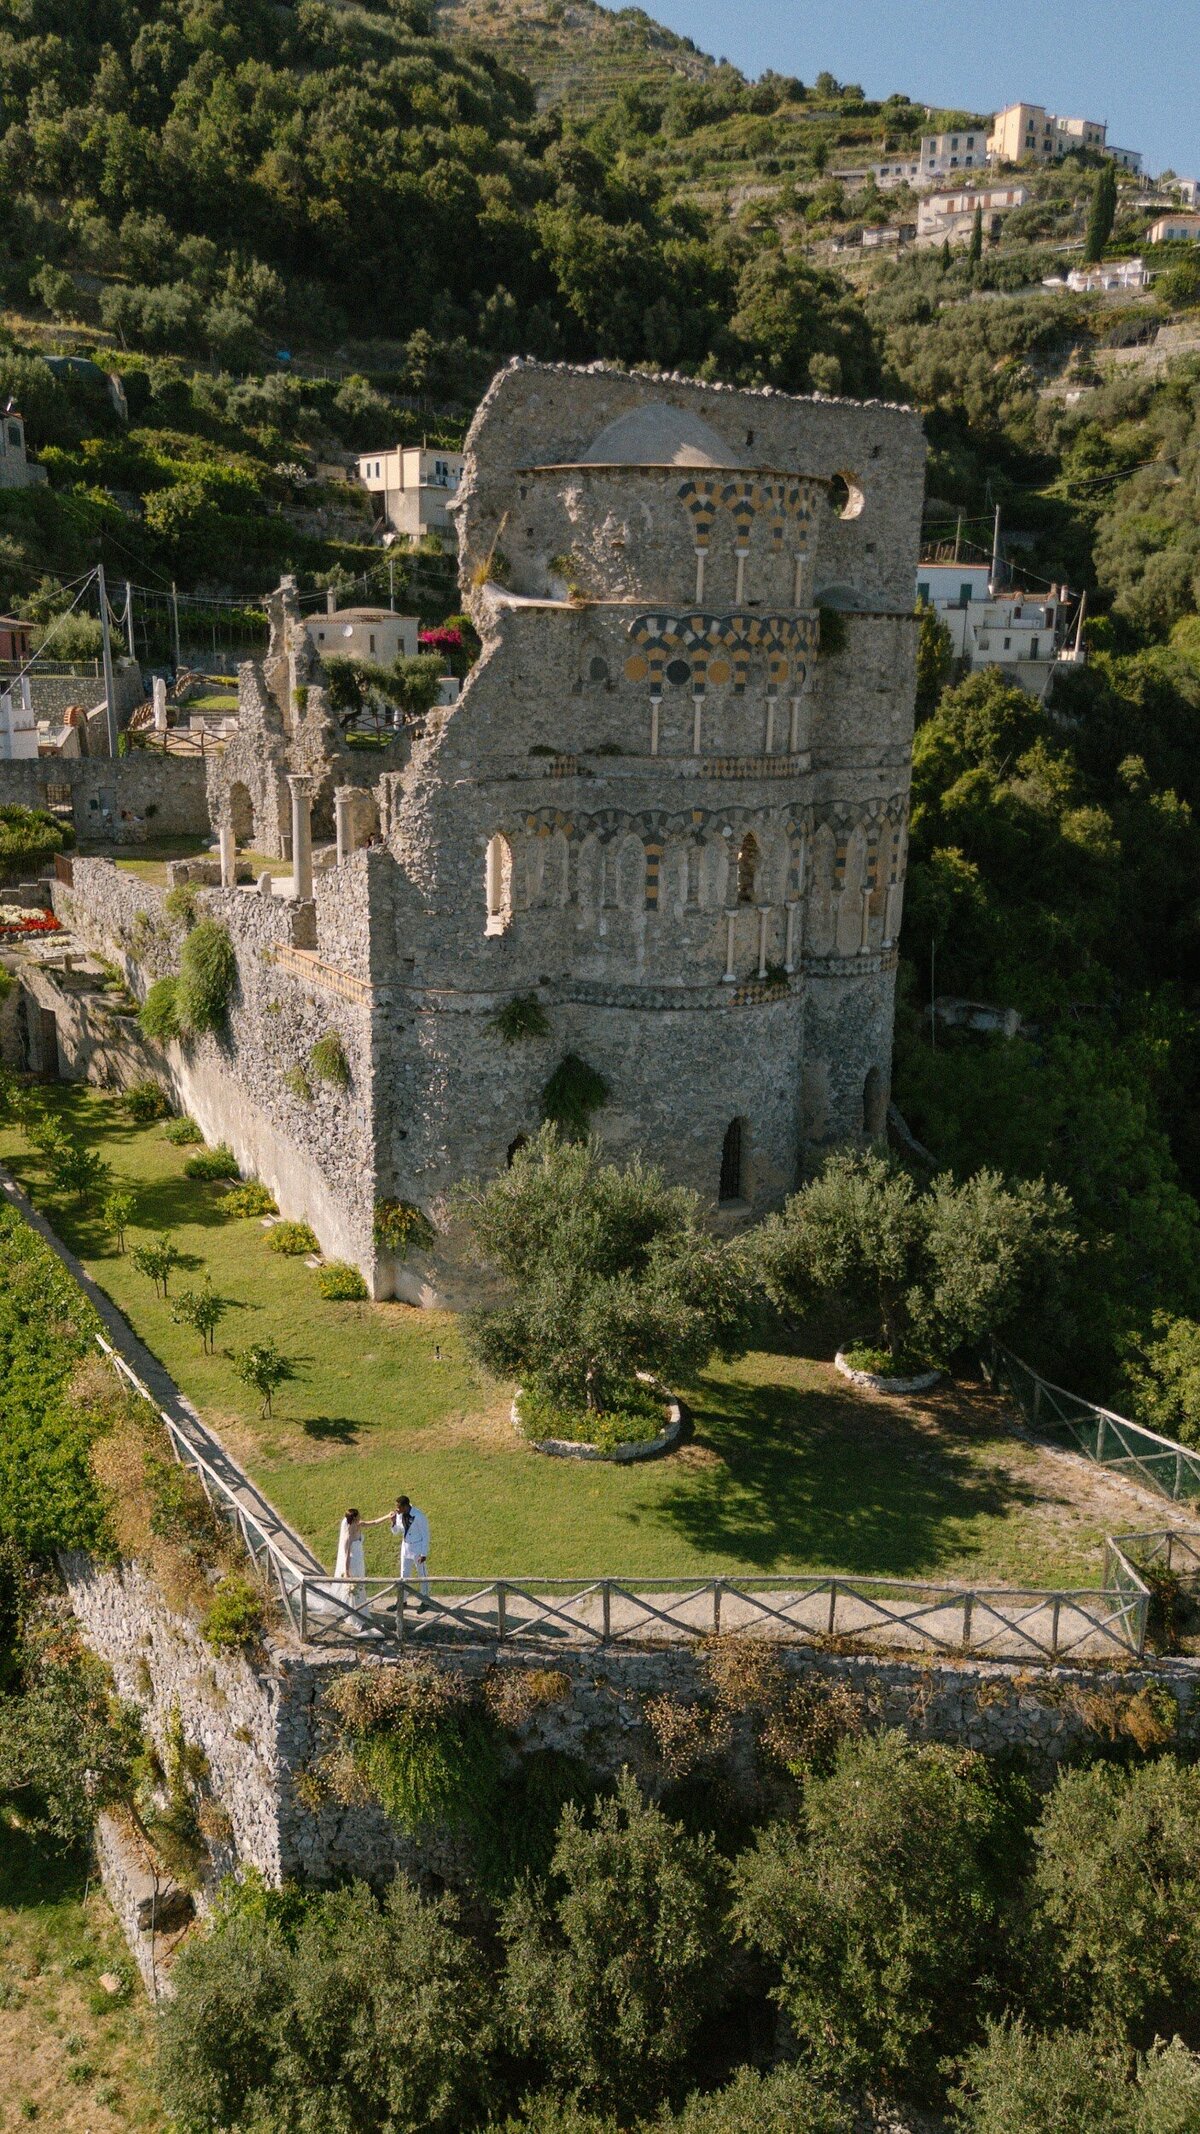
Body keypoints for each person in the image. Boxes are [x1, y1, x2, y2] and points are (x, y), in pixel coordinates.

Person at [389, 1495, 430, 1601]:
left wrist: (423, 1553)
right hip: (406, 1547)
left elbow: (425, 1535)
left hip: (417, 1548)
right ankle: (402, 1601)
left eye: (398, 1507)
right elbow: (396, 1531)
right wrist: (393, 1522)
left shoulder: (418, 1515)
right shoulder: (399, 1515)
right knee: (404, 1574)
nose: (397, 1509)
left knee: (422, 1575)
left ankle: (425, 1600)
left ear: (405, 1506)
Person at [333, 1506, 367, 1615]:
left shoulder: (359, 1525)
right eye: (358, 1516)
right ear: (354, 1519)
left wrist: (387, 1517)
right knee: (354, 1588)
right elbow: (347, 1556)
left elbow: (374, 1522)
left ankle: (361, 1608)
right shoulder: (348, 1537)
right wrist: (347, 1572)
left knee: (360, 1587)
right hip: (353, 1564)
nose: (360, 1517)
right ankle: (351, 1613)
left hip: (359, 1561)